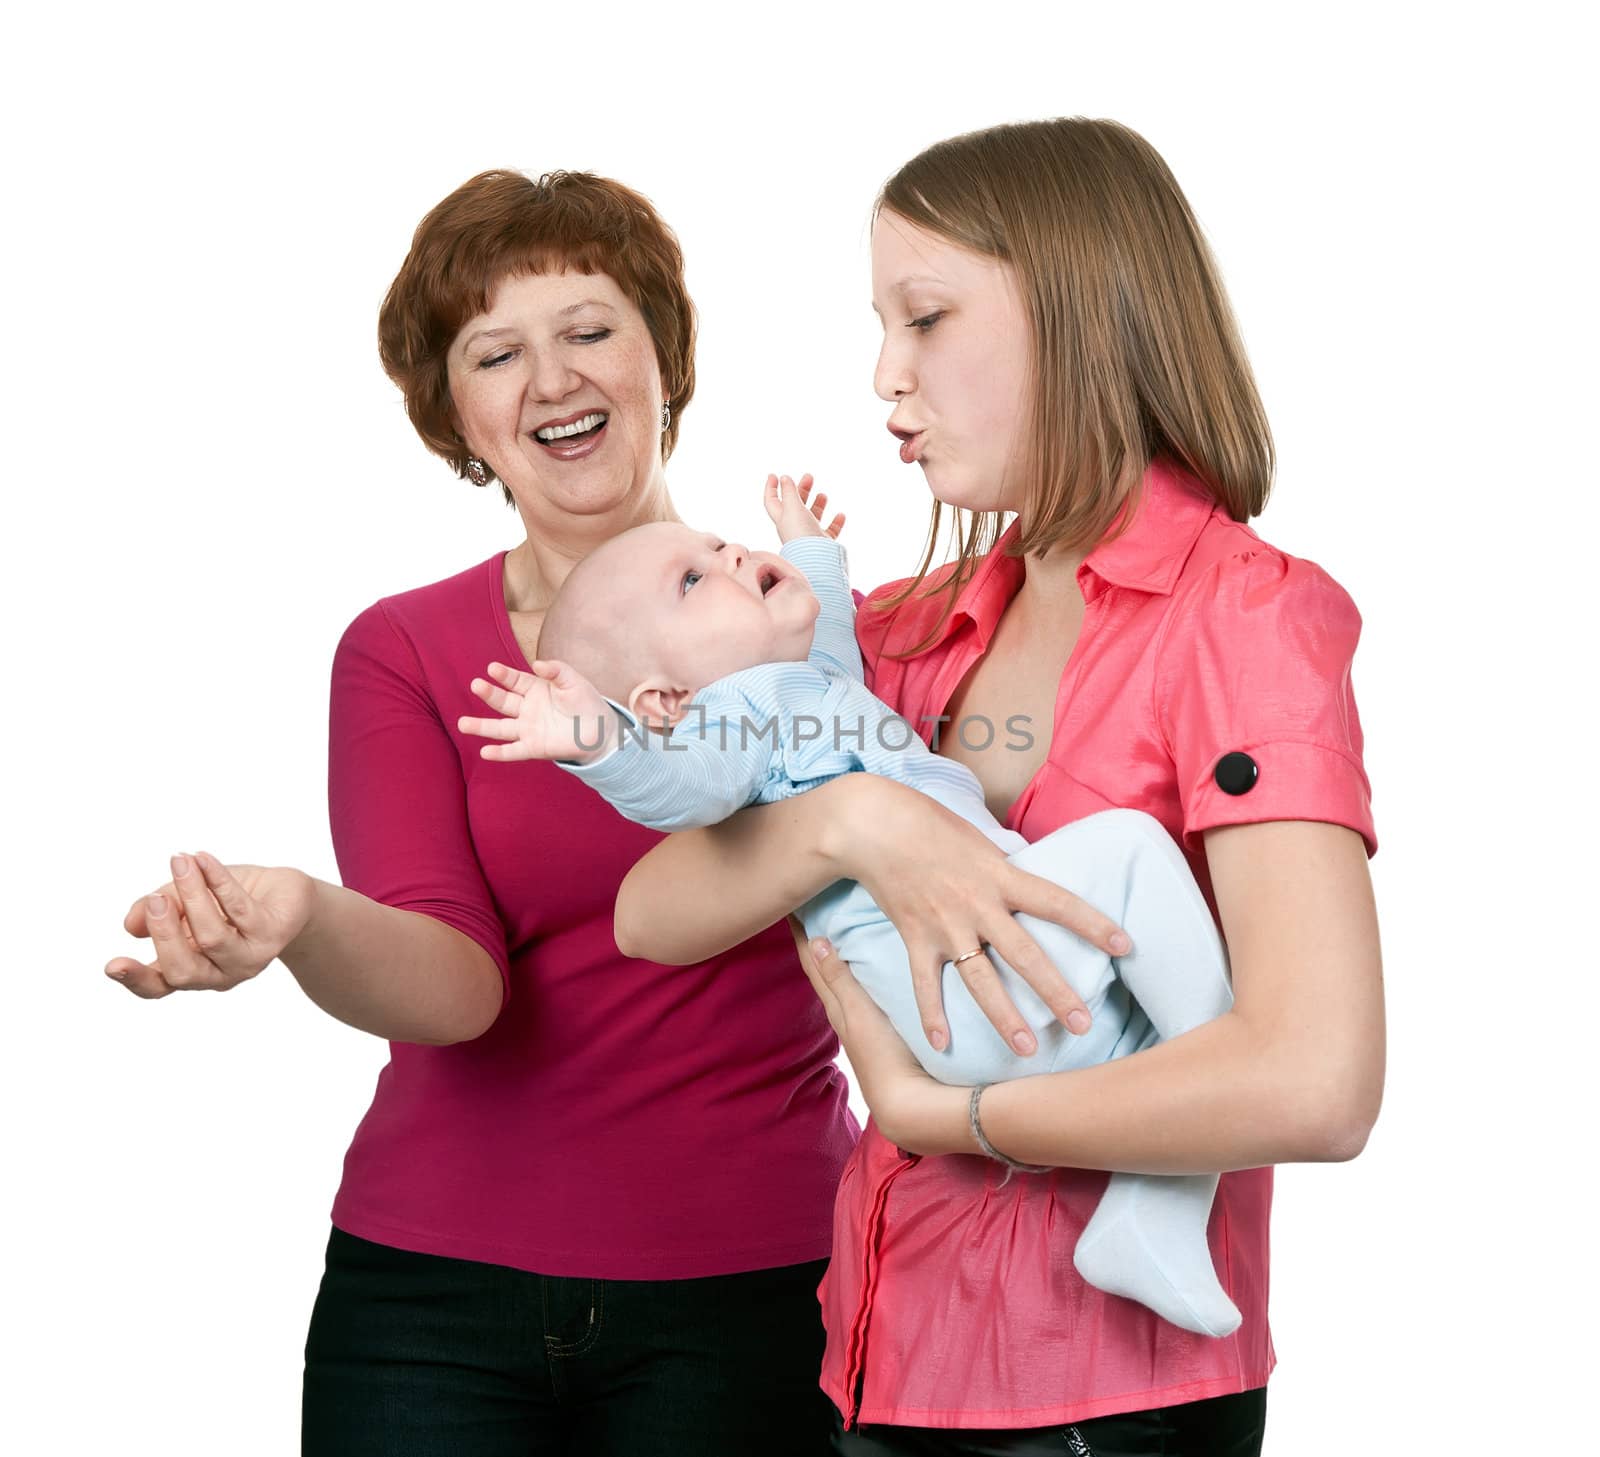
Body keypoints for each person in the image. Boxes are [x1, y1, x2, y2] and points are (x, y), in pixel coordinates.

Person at [102, 168, 1013, 1456]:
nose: (552, 380)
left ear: (662, 361)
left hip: (747, 1287)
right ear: (457, 416)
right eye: (496, 352)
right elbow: (455, 987)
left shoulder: (815, 628)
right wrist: (300, 914)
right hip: (428, 1298)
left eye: (589, 330)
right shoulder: (404, 648)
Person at [615, 117, 1384, 1454]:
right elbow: (655, 912)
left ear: (1081, 315)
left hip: (1107, 1402)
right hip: (878, 1349)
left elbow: (1318, 1079)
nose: (882, 375)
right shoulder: (905, 635)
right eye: (879, 325)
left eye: (923, 319)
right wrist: (855, 815)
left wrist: (945, 1114)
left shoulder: (1244, 621)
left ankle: (1160, 1221)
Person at [458, 473, 1240, 1336]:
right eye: (691, 580)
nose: (725, 553)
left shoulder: (808, 685)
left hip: (988, 980)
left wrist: (808, 551)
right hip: (959, 980)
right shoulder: (729, 722)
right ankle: (1208, 1120)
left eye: (720, 545)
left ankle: (1147, 1214)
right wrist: (600, 744)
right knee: (1138, 864)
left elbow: (822, 624)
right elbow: (675, 788)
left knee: (1157, 1042)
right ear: (665, 702)